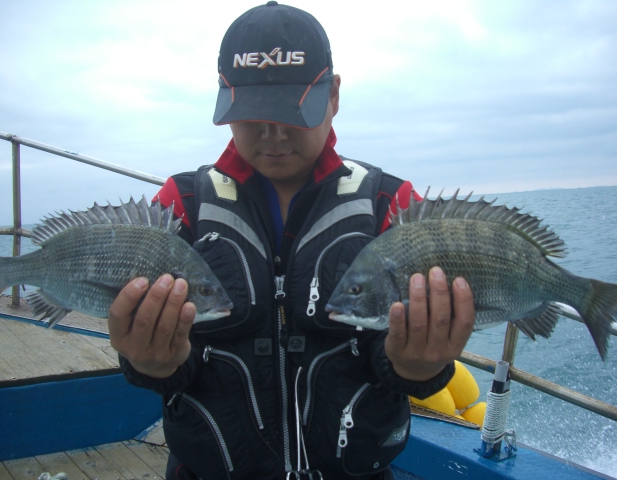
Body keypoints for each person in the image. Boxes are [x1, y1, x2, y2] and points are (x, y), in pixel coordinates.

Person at [108, 3, 475, 479]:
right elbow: (175, 366)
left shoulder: (393, 205)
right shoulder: (181, 205)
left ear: (333, 94)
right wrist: (152, 363)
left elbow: (400, 363)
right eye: (253, 114)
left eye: (293, 111)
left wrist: (416, 367)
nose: (274, 134)